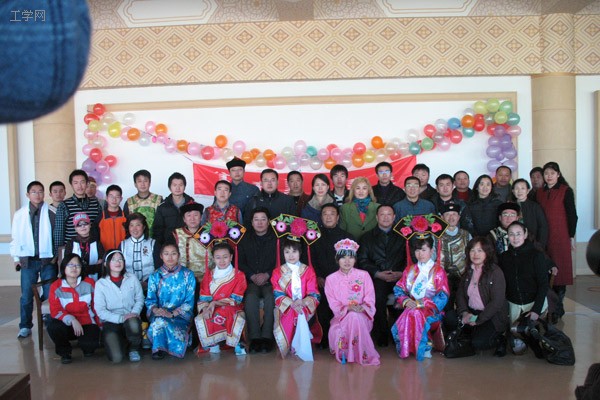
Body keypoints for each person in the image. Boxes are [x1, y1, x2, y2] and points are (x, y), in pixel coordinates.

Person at [391, 233, 449, 361]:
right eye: (417, 250)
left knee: (416, 313)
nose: (420, 254)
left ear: (432, 251)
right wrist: (405, 300)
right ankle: (410, 347)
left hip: (432, 310)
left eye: (424, 250)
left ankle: (423, 347)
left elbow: (443, 296)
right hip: (412, 306)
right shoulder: (410, 270)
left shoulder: (438, 271)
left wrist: (423, 303)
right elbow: (399, 289)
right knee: (412, 312)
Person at [10, 181, 56, 339]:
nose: (37, 194)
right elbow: (15, 237)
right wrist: (16, 257)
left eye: (40, 191)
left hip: (48, 260)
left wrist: (56, 257)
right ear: (28, 194)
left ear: (44, 194)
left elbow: (57, 237)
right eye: (34, 192)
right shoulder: (20, 214)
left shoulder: (51, 212)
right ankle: (25, 325)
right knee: (26, 295)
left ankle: (50, 322)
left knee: (50, 293)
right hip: (28, 260)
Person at [325, 239, 380, 366]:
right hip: (341, 317)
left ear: (355, 260)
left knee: (355, 316)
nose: (347, 261)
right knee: (352, 316)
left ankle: (353, 354)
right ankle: (355, 354)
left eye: (350, 257)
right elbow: (333, 303)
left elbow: (370, 297)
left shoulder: (364, 275)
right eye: (343, 257)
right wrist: (348, 308)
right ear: (337, 259)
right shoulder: (330, 279)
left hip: (362, 315)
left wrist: (363, 308)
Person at [357, 205, 405, 347]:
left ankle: (400, 333)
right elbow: (362, 260)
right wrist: (377, 273)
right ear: (377, 217)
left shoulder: (404, 236)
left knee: (404, 297)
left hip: (399, 277)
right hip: (377, 278)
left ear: (394, 217)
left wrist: (401, 272)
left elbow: (409, 258)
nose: (385, 217)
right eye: (382, 214)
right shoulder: (366, 237)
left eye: (389, 214)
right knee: (377, 298)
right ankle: (382, 333)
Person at [536, 162, 578, 323]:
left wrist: (571, 236)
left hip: (560, 236)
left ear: (558, 174)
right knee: (544, 271)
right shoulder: (539, 192)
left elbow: (572, 215)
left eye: (552, 173)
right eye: (546, 173)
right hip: (543, 237)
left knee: (559, 274)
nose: (549, 176)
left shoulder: (565, 191)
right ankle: (547, 308)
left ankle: (558, 309)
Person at [500, 222, 550, 355]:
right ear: (507, 236)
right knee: (518, 350)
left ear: (525, 234)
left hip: (534, 302)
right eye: (511, 234)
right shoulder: (504, 257)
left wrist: (536, 310)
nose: (515, 238)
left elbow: (544, 284)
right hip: (514, 304)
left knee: (536, 342)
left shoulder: (537, 255)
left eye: (518, 234)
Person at [455, 237, 508, 357]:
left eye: (480, 250)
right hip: (471, 312)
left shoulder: (495, 272)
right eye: (472, 250)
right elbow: (460, 294)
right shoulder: (469, 270)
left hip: (491, 315)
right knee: (450, 319)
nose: (475, 254)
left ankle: (501, 339)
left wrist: (479, 319)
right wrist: (464, 312)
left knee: (479, 343)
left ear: (487, 252)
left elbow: (497, 302)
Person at [311, 203, 355, 348]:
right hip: (321, 280)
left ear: (337, 217)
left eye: (332, 214)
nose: (328, 217)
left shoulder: (347, 238)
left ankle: (343, 337)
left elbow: (352, 262)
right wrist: (318, 277)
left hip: (343, 281)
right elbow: (310, 260)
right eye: (325, 214)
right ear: (321, 217)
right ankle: (323, 337)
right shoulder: (313, 237)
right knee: (322, 302)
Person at [145, 243, 196, 360]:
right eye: (166, 254)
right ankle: (158, 348)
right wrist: (156, 310)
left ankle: (165, 346)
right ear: (161, 256)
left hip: (180, 315)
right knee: (159, 321)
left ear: (178, 255)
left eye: (173, 253)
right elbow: (150, 300)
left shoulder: (188, 274)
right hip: (161, 314)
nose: (170, 257)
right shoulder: (154, 276)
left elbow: (189, 302)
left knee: (164, 323)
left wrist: (172, 313)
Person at [47, 254, 100, 364]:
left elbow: (96, 305)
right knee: (53, 326)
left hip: (86, 322)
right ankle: (65, 353)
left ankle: (85, 344)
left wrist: (100, 325)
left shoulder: (89, 283)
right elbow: (55, 310)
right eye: (70, 265)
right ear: (64, 267)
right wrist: (72, 319)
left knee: (89, 348)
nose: (74, 268)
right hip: (66, 324)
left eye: (77, 265)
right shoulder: (56, 286)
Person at [272, 238, 321, 358]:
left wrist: (303, 302)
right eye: (287, 252)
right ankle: (288, 343)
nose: (291, 255)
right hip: (286, 305)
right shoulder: (277, 272)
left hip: (304, 305)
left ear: (300, 252)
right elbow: (277, 293)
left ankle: (300, 343)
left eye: (294, 251)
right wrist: (291, 303)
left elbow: (314, 292)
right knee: (290, 312)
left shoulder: (308, 271)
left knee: (300, 312)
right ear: (283, 253)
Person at [195, 242, 247, 355]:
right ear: (213, 258)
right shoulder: (208, 276)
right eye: (218, 257)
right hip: (211, 306)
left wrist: (215, 303)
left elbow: (236, 299)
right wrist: (205, 308)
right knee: (204, 316)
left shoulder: (239, 275)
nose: (222, 261)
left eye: (225, 257)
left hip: (232, 306)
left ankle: (236, 343)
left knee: (228, 312)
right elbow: (204, 296)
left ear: (231, 257)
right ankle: (213, 344)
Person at [237, 207, 277, 353]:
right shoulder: (244, 239)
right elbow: (240, 262)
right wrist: (252, 275)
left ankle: (267, 338)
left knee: (270, 297)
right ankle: (254, 338)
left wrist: (267, 274)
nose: (260, 223)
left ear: (269, 221)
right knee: (251, 297)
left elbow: (281, 262)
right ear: (252, 222)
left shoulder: (277, 240)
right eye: (256, 220)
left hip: (270, 280)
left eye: (263, 219)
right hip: (251, 280)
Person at [94, 250, 144, 363]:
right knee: (116, 358)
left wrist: (134, 313)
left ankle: (134, 348)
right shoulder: (101, 284)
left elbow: (139, 299)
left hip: (131, 316)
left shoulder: (132, 278)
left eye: (120, 259)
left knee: (133, 323)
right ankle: (122, 342)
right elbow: (100, 310)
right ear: (106, 264)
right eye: (113, 260)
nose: (118, 262)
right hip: (111, 321)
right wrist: (121, 318)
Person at [438, 203, 472, 332]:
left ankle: (466, 330)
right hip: (443, 279)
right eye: (447, 214)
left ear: (459, 217)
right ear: (442, 217)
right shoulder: (436, 236)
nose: (451, 217)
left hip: (464, 276)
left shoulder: (466, 235)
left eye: (454, 214)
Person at [54, 169, 103, 255]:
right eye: (76, 183)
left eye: (82, 182)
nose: (79, 186)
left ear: (87, 183)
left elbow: (99, 228)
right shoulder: (64, 205)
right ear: (71, 185)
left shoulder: (95, 204)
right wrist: (59, 255)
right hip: (71, 251)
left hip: (93, 250)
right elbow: (59, 233)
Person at [152, 172, 195, 264]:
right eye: (174, 185)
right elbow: (158, 230)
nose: (178, 188)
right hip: (169, 249)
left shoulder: (192, 205)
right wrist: (161, 248)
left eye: (180, 185)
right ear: (169, 187)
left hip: (188, 247)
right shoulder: (163, 207)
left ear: (184, 187)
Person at [173, 203, 212, 282]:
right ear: (184, 219)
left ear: (201, 217)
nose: (192, 219)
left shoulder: (210, 233)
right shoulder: (176, 234)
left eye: (196, 215)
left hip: (207, 279)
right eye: (189, 215)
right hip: (183, 279)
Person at [63, 212, 104, 281]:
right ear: (75, 228)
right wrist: (92, 267)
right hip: (75, 281)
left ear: (90, 225)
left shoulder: (97, 243)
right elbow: (68, 265)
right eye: (79, 225)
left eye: (85, 223)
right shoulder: (70, 244)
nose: (83, 227)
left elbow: (101, 266)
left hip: (95, 281)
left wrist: (80, 267)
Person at [120, 212, 156, 287]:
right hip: (128, 286)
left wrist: (147, 283)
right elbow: (119, 269)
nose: (134, 229)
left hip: (151, 285)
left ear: (144, 227)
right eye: (131, 225)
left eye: (138, 225)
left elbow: (159, 268)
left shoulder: (153, 244)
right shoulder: (123, 245)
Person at [123, 169, 163, 236]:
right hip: (135, 239)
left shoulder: (158, 200)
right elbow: (126, 224)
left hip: (155, 239)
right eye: (139, 181)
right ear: (135, 184)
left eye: (145, 181)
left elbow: (162, 223)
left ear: (149, 183)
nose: (142, 184)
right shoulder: (129, 202)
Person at [511, 178, 548, 249]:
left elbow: (543, 227)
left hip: (532, 244)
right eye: (517, 188)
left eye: (522, 188)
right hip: (514, 243)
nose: (519, 191)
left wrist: (540, 245)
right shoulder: (510, 207)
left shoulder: (535, 206)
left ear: (528, 191)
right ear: (513, 191)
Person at [98, 184, 127, 251]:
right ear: (106, 198)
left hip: (123, 253)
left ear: (121, 199)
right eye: (111, 196)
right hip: (105, 254)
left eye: (117, 197)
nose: (114, 199)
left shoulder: (126, 217)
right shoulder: (99, 219)